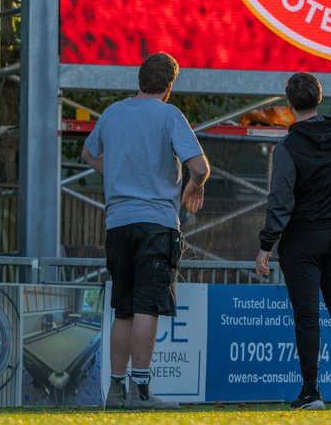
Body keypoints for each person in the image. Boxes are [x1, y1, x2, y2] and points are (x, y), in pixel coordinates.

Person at [82, 52, 209, 410]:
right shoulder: (170, 115)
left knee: (122, 307)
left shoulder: (112, 114)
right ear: (169, 86)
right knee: (146, 307)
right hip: (156, 223)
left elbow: (88, 152)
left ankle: (115, 390)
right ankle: (141, 392)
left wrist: (117, 172)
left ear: (139, 80)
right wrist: (194, 185)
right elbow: (199, 166)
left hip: (118, 223)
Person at [255, 48, 331, 410]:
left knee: (307, 317)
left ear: (289, 105)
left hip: (302, 239)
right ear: (318, 100)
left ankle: (311, 393)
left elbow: (280, 200)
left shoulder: (287, 145)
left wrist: (266, 244)